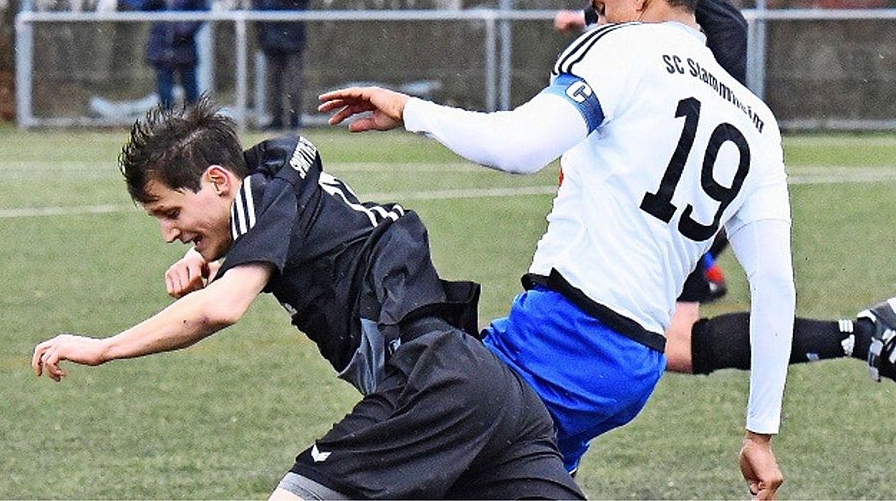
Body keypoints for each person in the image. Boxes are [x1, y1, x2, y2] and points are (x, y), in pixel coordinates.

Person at [320, 0, 796, 497]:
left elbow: (519, 147)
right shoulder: (757, 122)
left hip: (561, 339)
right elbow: (776, 286)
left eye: (601, 6)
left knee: (377, 447)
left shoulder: (627, 49)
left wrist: (411, 109)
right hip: (635, 367)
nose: (597, 21)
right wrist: (760, 433)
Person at [31, 98, 583, 500]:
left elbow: (222, 308)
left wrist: (103, 347)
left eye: (171, 213)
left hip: (430, 386)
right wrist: (213, 253)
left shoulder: (264, 196)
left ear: (220, 181)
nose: (169, 234)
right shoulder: (278, 172)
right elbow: (281, 217)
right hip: (493, 394)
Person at [552, 0, 896, 419]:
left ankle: (866, 335)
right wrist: (595, 18)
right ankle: (866, 335)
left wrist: (694, 103)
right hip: (679, 134)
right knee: (671, 341)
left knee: (659, 333)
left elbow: (709, 16)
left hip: (686, 135)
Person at [251, 0, 318, 130]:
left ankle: (295, 119)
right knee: (273, 79)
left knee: (294, 79)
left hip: (294, 31)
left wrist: (283, 0)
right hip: (270, 31)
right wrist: (260, 24)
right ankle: (276, 119)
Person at [143, 0, 208, 109]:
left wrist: (184, 29)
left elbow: (201, 12)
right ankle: (168, 123)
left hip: (185, 45)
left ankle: (195, 120)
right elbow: (145, 6)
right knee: (165, 91)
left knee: (191, 89)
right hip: (161, 46)